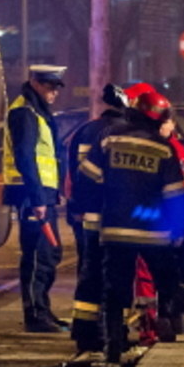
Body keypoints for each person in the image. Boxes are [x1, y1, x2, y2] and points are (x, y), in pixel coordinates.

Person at [78, 89, 184, 361]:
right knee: (168, 278)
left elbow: (87, 177)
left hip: (115, 229)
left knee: (115, 290)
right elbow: (176, 195)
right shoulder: (164, 149)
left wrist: (98, 205)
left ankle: (114, 346)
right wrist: (178, 230)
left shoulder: (110, 139)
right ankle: (166, 319)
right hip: (154, 231)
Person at [3, 64, 67, 333]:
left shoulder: (36, 110)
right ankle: (35, 315)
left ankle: (43, 309)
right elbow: (25, 157)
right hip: (32, 195)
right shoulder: (25, 112)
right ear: (34, 83)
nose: (54, 92)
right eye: (49, 86)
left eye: (56, 87)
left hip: (41, 194)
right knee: (38, 255)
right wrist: (38, 198)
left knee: (50, 253)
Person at [65, 83, 128, 351]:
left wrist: (75, 209)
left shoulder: (83, 131)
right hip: (116, 217)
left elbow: (72, 173)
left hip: (86, 216)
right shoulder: (124, 133)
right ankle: (112, 334)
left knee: (88, 273)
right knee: (115, 275)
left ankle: (84, 333)